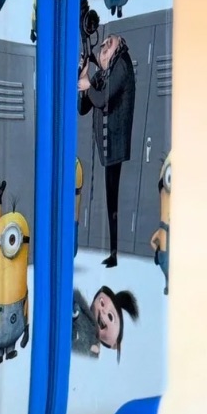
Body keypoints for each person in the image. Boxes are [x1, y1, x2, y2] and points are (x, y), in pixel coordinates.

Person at [79, 33, 135, 266]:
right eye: (103, 44)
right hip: (106, 147)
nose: (104, 43)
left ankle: (114, 253)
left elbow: (102, 100)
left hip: (115, 146)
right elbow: (83, 107)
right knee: (111, 198)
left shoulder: (121, 64)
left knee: (113, 199)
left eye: (109, 41)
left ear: (120, 44)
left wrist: (88, 85)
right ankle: (113, 252)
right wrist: (84, 78)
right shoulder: (104, 73)